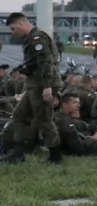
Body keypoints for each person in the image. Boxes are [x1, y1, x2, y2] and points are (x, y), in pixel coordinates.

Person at [4, 11, 62, 162]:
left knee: (44, 120)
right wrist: (25, 68)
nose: (12, 32)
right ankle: (18, 153)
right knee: (18, 115)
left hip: (42, 85)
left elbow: (46, 62)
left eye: (13, 28)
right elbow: (35, 62)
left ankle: (55, 156)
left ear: (20, 24)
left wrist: (47, 87)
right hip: (35, 84)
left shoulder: (37, 38)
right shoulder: (31, 38)